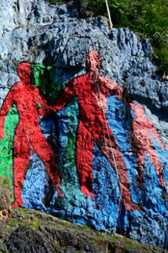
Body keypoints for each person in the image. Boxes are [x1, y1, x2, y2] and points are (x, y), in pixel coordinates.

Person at [45, 51, 139, 211]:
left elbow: (121, 93)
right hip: (85, 126)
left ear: (98, 62)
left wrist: (130, 102)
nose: (89, 61)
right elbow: (61, 102)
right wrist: (48, 109)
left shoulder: (104, 83)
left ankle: (127, 200)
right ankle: (86, 197)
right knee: (83, 162)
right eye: (87, 58)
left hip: (101, 126)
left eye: (92, 58)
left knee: (119, 161)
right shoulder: (78, 82)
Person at [0, 62, 62, 207]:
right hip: (22, 130)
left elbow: (44, 108)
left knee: (49, 158)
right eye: (23, 72)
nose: (26, 74)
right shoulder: (15, 89)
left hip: (34, 129)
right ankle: (18, 199)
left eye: (28, 72)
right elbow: (4, 110)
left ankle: (59, 189)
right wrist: (1, 128)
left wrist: (44, 110)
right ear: (20, 73)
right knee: (19, 162)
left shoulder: (35, 90)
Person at [130, 103, 166, 190]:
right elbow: (131, 136)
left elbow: (155, 134)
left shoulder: (146, 121)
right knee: (140, 163)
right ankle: (140, 183)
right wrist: (131, 148)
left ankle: (160, 179)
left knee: (155, 161)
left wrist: (162, 145)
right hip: (140, 146)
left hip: (147, 145)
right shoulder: (134, 123)